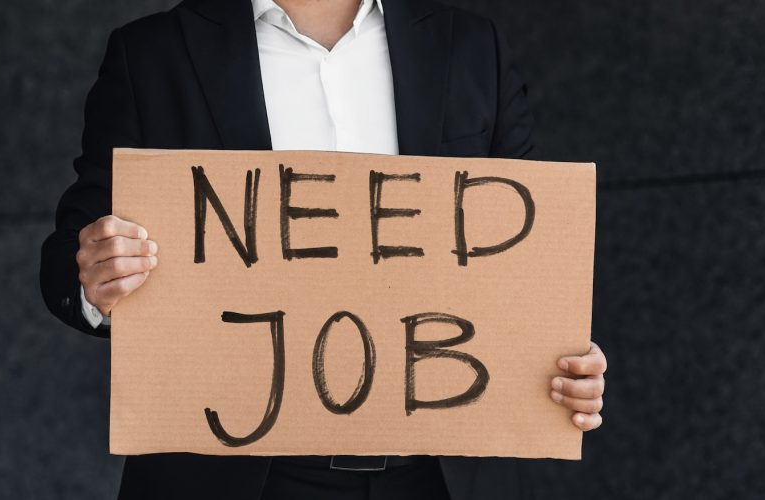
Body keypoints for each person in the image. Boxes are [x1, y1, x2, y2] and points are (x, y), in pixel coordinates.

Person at [39, 0, 608, 498]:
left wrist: (561, 357)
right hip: (233, 475)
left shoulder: (470, 46)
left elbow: (525, 255)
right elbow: (72, 252)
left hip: (443, 476)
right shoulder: (154, 54)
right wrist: (94, 282)